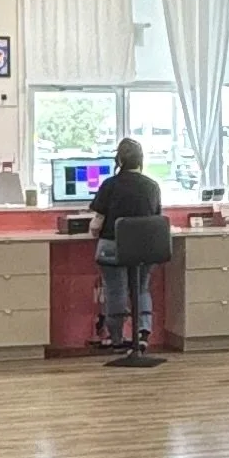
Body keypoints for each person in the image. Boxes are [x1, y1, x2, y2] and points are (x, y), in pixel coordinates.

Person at [87, 136, 164, 352]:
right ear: (141, 161)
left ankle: (117, 338)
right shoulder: (152, 186)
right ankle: (143, 335)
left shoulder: (110, 185)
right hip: (146, 248)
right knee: (141, 288)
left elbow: (97, 223)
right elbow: (156, 216)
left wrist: (94, 232)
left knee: (115, 290)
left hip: (114, 247)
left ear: (119, 160)